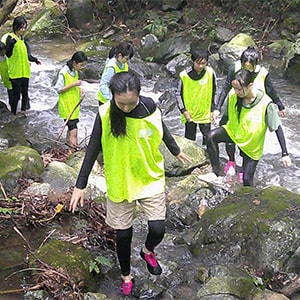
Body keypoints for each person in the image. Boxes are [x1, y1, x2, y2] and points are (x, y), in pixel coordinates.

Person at [69, 71, 192, 296]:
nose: (126, 108)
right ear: (113, 96)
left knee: (158, 228)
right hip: (121, 180)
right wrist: (80, 184)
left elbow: (161, 129)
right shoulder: (105, 113)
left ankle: (147, 251)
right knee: (123, 235)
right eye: (121, 103)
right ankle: (126, 275)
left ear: (139, 94)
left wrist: (176, 150)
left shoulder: (149, 107)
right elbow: (93, 148)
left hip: (149, 176)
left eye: (130, 103)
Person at [207, 69, 291, 187]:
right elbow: (226, 116)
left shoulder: (266, 104)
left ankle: (251, 200)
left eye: (239, 89)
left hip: (252, 146)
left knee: (247, 180)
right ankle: (216, 174)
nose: (236, 92)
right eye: (234, 88)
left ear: (250, 85)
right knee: (211, 136)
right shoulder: (233, 95)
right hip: (234, 133)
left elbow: (277, 128)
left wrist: (285, 153)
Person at [213, 46, 286, 179]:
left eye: (249, 68)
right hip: (235, 104)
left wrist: (280, 105)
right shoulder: (234, 71)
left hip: (254, 107)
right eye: (244, 67)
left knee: (246, 141)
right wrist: (217, 108)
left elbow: (270, 90)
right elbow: (225, 88)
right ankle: (231, 161)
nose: (246, 70)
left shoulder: (262, 73)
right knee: (230, 132)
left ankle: (244, 170)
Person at [1, 16, 41, 115]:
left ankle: (23, 112)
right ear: (15, 27)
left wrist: (35, 60)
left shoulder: (22, 39)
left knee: (25, 94)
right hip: (15, 73)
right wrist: (11, 45)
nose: (23, 30)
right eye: (21, 28)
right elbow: (8, 54)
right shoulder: (10, 38)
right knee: (16, 95)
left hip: (25, 72)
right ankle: (13, 113)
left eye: (24, 28)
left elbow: (26, 55)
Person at [176, 49, 217, 145]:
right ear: (192, 62)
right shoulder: (184, 75)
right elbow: (178, 94)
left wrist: (213, 109)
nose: (201, 66)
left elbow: (214, 91)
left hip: (205, 113)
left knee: (208, 139)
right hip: (190, 113)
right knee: (189, 141)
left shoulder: (210, 73)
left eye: (203, 63)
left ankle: (208, 158)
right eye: (198, 63)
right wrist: (184, 111)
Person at [54, 51, 88, 148]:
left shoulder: (74, 71)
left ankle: (68, 147)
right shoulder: (63, 72)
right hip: (66, 105)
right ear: (74, 62)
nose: (82, 68)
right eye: (81, 65)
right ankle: (74, 148)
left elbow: (73, 85)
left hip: (74, 105)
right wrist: (74, 84)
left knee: (70, 127)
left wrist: (80, 89)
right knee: (73, 129)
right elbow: (59, 89)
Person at [0, 41, 14, 108]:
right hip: (8, 83)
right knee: (12, 100)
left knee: (23, 95)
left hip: (15, 79)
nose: (3, 53)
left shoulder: (9, 56)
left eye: (4, 50)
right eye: (2, 51)